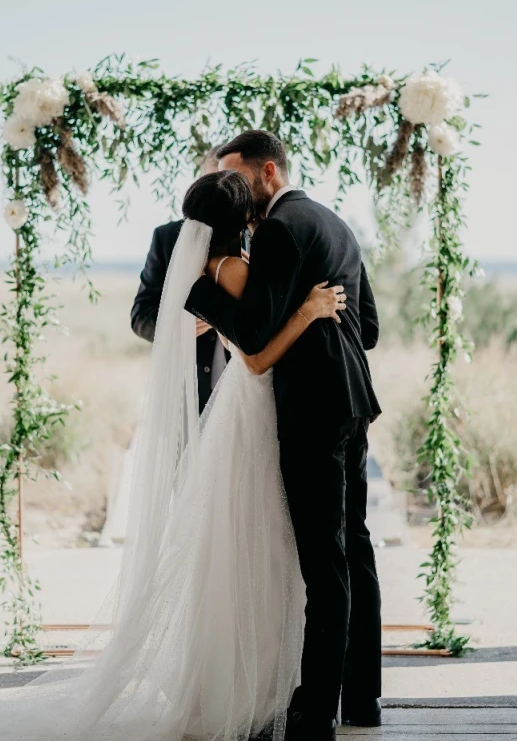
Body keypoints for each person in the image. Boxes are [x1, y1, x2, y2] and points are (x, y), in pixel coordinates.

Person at [0, 170, 345, 741]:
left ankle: (220, 685)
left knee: (225, 551)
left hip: (234, 416)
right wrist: (308, 309)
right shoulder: (234, 271)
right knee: (259, 552)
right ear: (241, 220)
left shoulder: (200, 272)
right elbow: (256, 357)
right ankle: (253, 690)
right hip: (251, 411)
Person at [186, 131, 382, 735]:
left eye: (241, 179)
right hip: (353, 401)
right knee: (354, 545)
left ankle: (316, 708)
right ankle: (363, 697)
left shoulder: (279, 228)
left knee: (324, 562)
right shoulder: (335, 223)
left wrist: (202, 288)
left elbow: (250, 335)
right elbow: (368, 328)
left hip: (312, 409)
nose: (239, 193)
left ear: (268, 171)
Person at [131, 146, 228, 413]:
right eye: (212, 182)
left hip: (240, 391)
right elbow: (140, 316)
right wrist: (178, 325)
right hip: (184, 394)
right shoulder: (167, 239)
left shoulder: (255, 237)